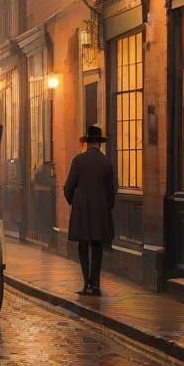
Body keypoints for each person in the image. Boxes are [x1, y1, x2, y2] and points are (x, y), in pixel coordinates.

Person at [63, 124, 117, 296]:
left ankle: (86, 282)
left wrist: (74, 202)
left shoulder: (78, 161)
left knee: (83, 245)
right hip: (100, 208)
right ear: (99, 143)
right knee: (97, 246)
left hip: (82, 209)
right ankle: (96, 285)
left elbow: (68, 187)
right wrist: (107, 206)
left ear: (87, 143)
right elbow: (111, 191)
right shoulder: (106, 162)